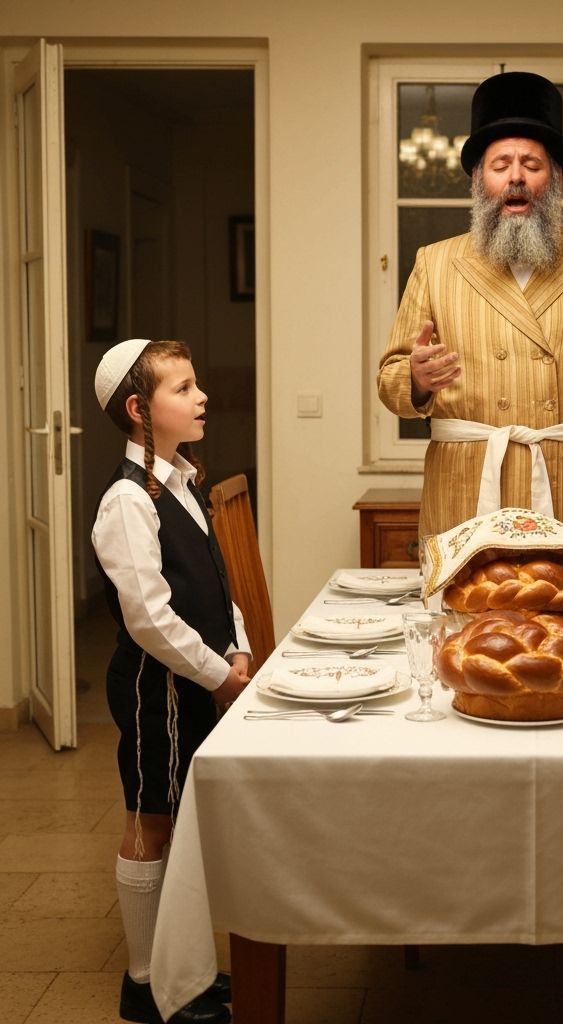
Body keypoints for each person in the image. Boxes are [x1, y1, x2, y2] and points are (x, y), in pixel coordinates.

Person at [378, 71, 563, 540]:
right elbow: (388, 378)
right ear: (478, 178)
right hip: (468, 484)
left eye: (531, 164)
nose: (516, 177)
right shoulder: (436, 263)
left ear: (555, 178)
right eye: (501, 164)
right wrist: (414, 378)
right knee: (468, 611)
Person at [92, 339, 251, 1024]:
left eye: (196, 385)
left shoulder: (181, 481)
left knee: (182, 814)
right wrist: (220, 676)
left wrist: (238, 647)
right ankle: (146, 980)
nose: (201, 397)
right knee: (152, 817)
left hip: (196, 680)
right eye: (182, 389)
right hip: (157, 688)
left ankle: (180, 964)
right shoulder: (127, 502)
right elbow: (149, 618)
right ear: (138, 409)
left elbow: (217, 585)